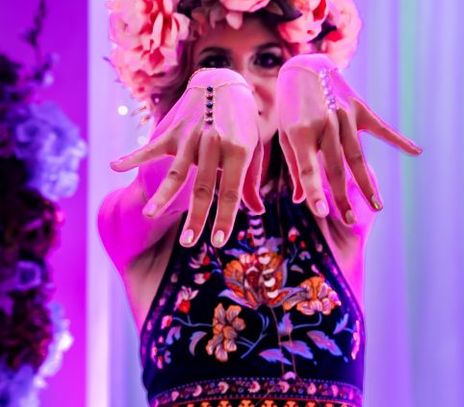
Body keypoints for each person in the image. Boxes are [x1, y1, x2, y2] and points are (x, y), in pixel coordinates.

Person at [98, 1, 422, 406]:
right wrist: (215, 91)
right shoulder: (140, 224)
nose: (245, 84)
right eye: (214, 61)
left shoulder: (333, 210)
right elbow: (158, 187)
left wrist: (313, 72)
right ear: (178, 84)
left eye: (267, 60)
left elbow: (345, 177)